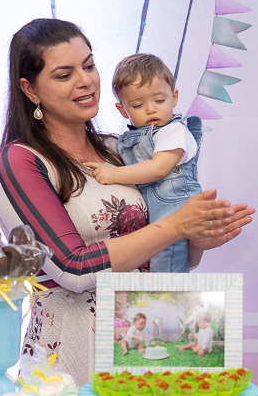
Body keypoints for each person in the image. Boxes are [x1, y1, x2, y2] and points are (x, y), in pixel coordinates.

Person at [0, 18, 254, 396]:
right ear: (30, 90)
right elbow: (70, 267)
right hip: (74, 355)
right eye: (64, 73)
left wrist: (198, 237)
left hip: (145, 345)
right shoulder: (20, 162)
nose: (85, 81)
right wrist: (175, 225)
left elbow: (159, 248)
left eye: (89, 65)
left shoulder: (121, 149)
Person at [84, 54, 202, 273]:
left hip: (175, 208)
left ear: (174, 97)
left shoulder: (173, 130)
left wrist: (114, 175)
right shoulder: (128, 139)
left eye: (159, 100)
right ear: (122, 110)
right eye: (138, 105)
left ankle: (167, 306)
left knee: (166, 265)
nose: (151, 109)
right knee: (154, 258)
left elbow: (159, 168)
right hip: (155, 214)